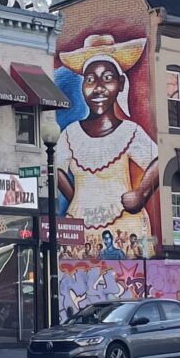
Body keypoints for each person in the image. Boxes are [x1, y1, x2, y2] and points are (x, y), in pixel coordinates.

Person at [56, 34, 159, 258]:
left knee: (130, 270)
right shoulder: (70, 134)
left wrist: (140, 194)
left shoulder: (129, 131)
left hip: (125, 224)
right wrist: (75, 197)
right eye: (90, 80)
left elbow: (159, 161)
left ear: (120, 84)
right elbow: (55, 169)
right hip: (80, 228)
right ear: (83, 86)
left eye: (107, 78)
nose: (99, 88)